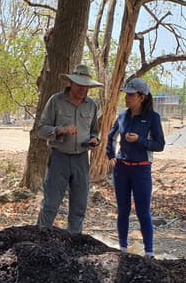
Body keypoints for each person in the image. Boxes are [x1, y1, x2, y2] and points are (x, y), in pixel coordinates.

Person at [37, 64, 101, 233]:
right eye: (79, 85)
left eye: (86, 86)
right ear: (70, 83)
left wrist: (94, 140)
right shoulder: (56, 101)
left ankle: (74, 243)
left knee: (79, 206)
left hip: (81, 159)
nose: (83, 89)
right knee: (51, 204)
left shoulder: (92, 105)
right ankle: (40, 240)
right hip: (59, 158)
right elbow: (41, 129)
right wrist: (60, 130)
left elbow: (94, 131)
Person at [105, 78, 166, 257]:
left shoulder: (152, 118)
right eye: (126, 94)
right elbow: (111, 137)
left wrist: (140, 140)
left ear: (142, 97)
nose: (127, 98)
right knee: (122, 210)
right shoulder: (122, 116)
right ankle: (122, 248)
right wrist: (111, 156)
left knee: (143, 211)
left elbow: (160, 144)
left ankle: (149, 252)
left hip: (141, 170)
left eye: (131, 95)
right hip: (122, 169)